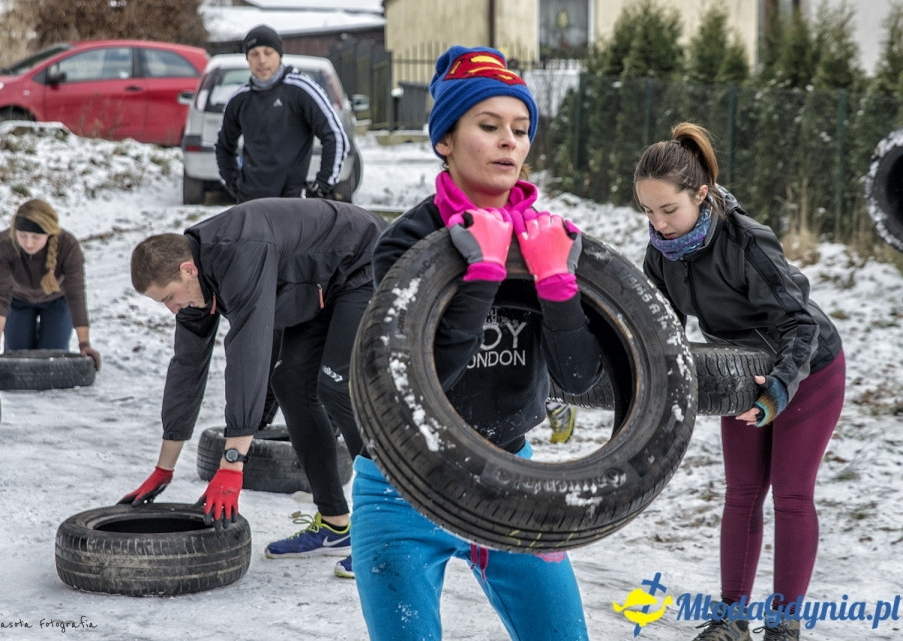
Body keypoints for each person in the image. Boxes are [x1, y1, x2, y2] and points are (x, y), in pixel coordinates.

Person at [350, 45, 603, 640]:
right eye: (488, 127)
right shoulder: (404, 245)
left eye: (520, 130)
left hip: (510, 475)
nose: (508, 142)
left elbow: (577, 378)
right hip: (400, 486)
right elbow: (420, 381)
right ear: (445, 139)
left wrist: (559, 286)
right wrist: (482, 276)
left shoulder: (550, 241)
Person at [634, 122, 845, 641]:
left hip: (807, 369)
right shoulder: (661, 253)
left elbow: (800, 322)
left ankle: (784, 625)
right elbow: (658, 332)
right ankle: (731, 621)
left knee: (792, 496)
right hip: (740, 375)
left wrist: (778, 388)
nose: (659, 224)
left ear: (701, 195)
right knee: (742, 494)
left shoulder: (746, 242)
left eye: (669, 209)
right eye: (648, 211)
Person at [121, 197, 384, 579]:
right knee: (291, 383)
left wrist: (231, 464)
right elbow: (187, 368)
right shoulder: (197, 285)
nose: (172, 309)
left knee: (334, 383)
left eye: (168, 298)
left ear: (187, 269)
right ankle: (335, 525)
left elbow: (250, 351)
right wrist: (165, 468)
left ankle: (390, 532)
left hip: (363, 262)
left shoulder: (238, 255)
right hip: (314, 284)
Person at [215, 23, 351, 202]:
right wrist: (236, 186)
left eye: (268, 52)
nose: (261, 60)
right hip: (250, 203)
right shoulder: (239, 99)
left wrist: (320, 187)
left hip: (292, 202)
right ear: (247, 59)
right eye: (254, 54)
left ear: (279, 54)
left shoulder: (301, 89)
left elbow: (335, 136)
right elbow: (223, 146)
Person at [0, 199, 101, 372]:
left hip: (57, 301)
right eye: (23, 236)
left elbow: (76, 294)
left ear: (49, 234)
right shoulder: (2, 244)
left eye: (36, 237)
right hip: (19, 301)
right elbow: (0, 295)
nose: (28, 243)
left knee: (52, 359)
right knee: (17, 358)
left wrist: (84, 343)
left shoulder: (68, 245)